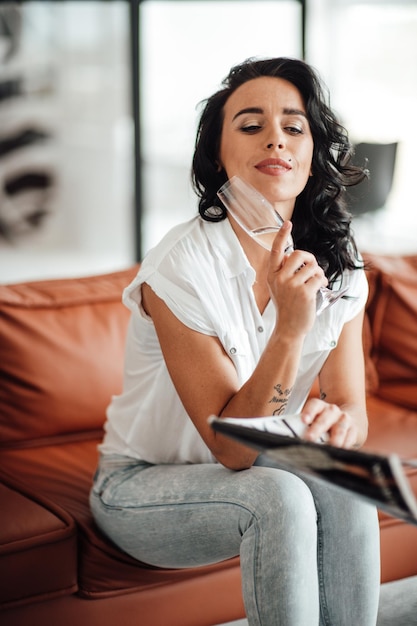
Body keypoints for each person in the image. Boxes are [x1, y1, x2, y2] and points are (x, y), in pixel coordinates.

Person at [90, 57, 380, 625]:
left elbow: (352, 408)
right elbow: (235, 450)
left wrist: (341, 427)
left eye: (294, 127)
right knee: (279, 495)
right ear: (217, 156)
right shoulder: (181, 265)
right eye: (251, 125)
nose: (276, 137)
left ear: (312, 155)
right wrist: (292, 328)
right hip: (142, 483)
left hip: (270, 465)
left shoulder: (340, 267)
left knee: (349, 474)